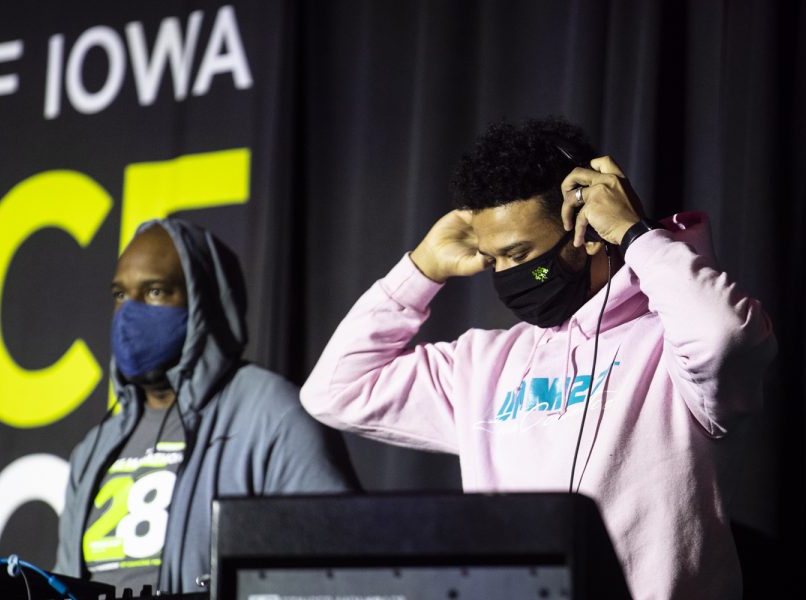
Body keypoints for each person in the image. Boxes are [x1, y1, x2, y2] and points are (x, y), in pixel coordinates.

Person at [300, 117, 777, 599]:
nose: (505, 273)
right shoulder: (485, 362)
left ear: (587, 226)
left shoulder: (670, 344)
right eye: (494, 259)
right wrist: (421, 269)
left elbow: (723, 336)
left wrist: (636, 236)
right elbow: (334, 390)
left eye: (518, 252)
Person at [55, 219, 359, 595]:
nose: (130, 314)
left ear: (205, 301)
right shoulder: (93, 449)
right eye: (120, 295)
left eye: (155, 292)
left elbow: (339, 572)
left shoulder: (274, 416)